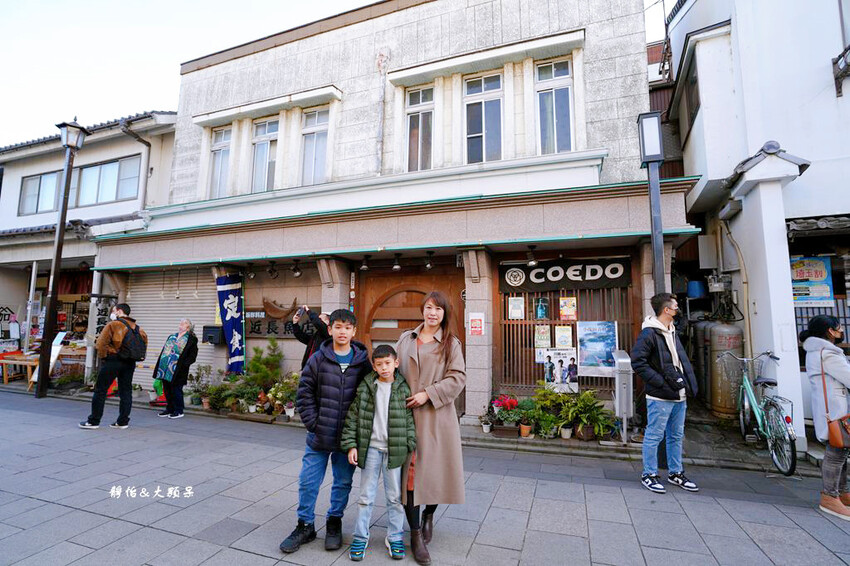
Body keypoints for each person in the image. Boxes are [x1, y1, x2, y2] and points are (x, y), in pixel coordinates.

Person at [280, 309, 371, 555]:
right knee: (308, 481)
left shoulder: (363, 362)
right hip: (319, 435)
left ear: (354, 331)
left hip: (347, 437)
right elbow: (304, 392)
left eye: (347, 327)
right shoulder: (318, 358)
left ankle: (334, 522)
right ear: (329, 330)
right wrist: (313, 423)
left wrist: (357, 433)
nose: (342, 331)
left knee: (342, 482)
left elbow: (369, 398)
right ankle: (305, 525)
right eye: (337, 327)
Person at [395, 291, 466, 565]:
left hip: (437, 417)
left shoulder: (451, 343)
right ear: (422, 310)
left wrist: (428, 394)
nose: (432, 313)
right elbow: (392, 369)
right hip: (405, 416)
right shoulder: (405, 338)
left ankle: (428, 516)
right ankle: (414, 535)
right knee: (408, 478)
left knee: (436, 474)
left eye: (438, 309)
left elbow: (458, 377)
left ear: (445, 313)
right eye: (428, 307)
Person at [341, 344, 416, 561]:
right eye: (379, 364)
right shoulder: (366, 387)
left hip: (395, 450)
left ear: (396, 363)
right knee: (366, 496)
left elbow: (409, 419)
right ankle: (360, 536)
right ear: (373, 366)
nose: (384, 368)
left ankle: (394, 536)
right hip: (371, 448)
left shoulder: (403, 387)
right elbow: (353, 417)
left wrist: (409, 442)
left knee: (395, 497)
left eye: (387, 363)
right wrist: (351, 445)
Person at [630, 293, 698, 494]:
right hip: (660, 396)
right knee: (654, 435)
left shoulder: (672, 331)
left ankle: (675, 472)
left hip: (679, 393)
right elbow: (638, 363)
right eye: (676, 307)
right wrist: (660, 383)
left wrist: (686, 385)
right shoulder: (649, 333)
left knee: (676, 435)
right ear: (666, 310)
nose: (678, 310)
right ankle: (649, 474)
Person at [801, 315, 850, 519]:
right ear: (830, 331)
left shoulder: (818, 351)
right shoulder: (827, 353)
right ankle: (830, 496)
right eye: (838, 328)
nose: (841, 331)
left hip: (830, 407)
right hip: (833, 409)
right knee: (836, 452)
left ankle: (842, 493)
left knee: (841, 450)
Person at [79, 303, 148, 430]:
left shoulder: (113, 325)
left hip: (113, 361)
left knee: (100, 390)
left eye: (114, 310)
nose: (113, 312)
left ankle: (94, 421)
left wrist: (105, 356)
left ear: (119, 311)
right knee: (126, 391)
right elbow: (143, 345)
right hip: (130, 362)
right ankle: (123, 421)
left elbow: (100, 344)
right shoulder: (138, 328)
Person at [152, 318, 198, 419]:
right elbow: (164, 351)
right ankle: (169, 409)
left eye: (184, 323)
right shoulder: (172, 336)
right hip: (165, 368)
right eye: (181, 322)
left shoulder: (191, 339)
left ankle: (179, 410)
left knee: (176, 389)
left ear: (188, 327)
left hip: (178, 369)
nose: (181, 324)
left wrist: (184, 365)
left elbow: (192, 356)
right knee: (167, 389)